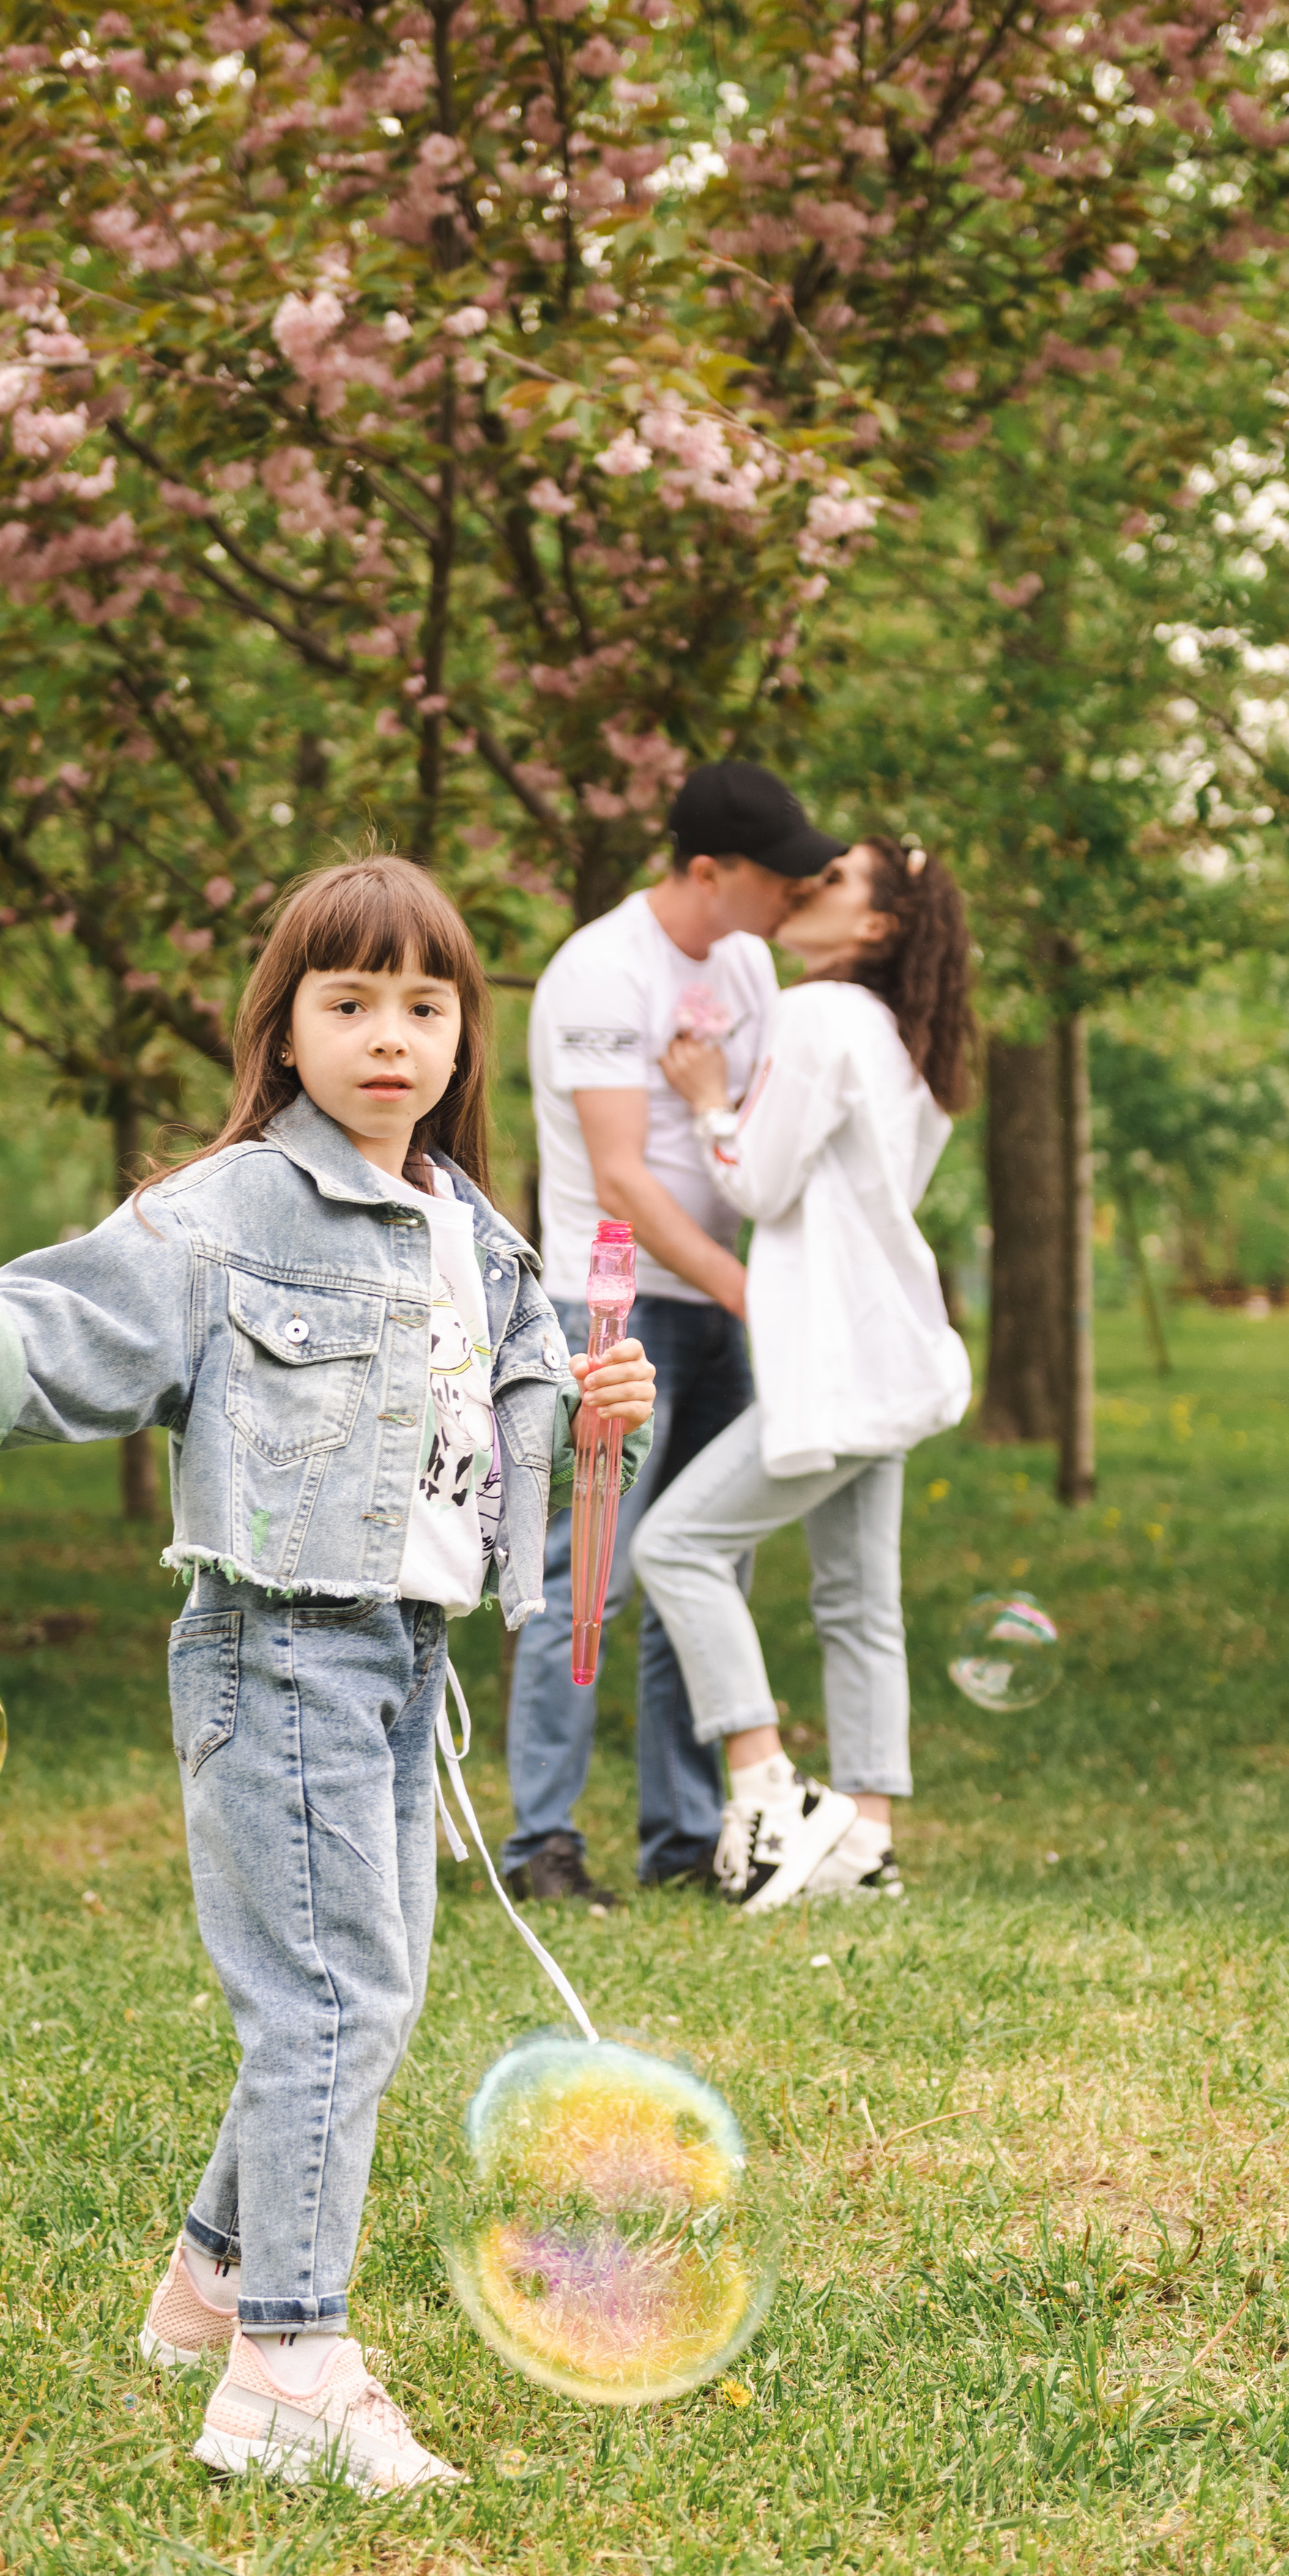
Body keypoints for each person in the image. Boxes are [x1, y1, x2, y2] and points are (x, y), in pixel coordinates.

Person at [0, 856, 655, 2496]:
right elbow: (61, 1329)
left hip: (398, 1660)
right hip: (277, 1640)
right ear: (281, 1031)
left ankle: (210, 2286)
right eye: (346, 1003)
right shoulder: (221, 1214)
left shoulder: (471, 1231)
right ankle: (288, 2366)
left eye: (423, 1006)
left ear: (460, 1038)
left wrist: (587, 1414)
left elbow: (481, 1438)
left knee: (366, 1999)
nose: (388, 1037)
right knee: (331, 2004)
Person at [503, 760, 845, 1905]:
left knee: (697, 1561)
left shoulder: (750, 963)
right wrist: (754, 1293)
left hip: (717, 1303)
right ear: (712, 871)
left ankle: (685, 1838)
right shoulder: (601, 970)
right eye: (780, 872)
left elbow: (753, 1132)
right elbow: (618, 1175)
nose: (798, 891)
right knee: (582, 1576)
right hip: (609, 1307)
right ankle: (542, 1842)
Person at [631, 837, 976, 1913]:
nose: (804, 883)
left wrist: (706, 1095)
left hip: (834, 1356)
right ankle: (866, 1838)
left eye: (833, 881)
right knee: (859, 1598)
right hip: (893, 1348)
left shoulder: (821, 1015)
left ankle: (765, 1784)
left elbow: (761, 1181)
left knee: (674, 1543)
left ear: (876, 928)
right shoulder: (910, 1042)